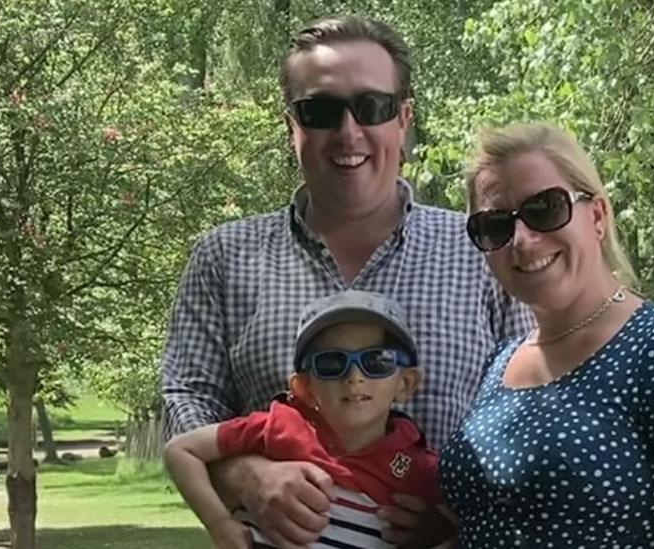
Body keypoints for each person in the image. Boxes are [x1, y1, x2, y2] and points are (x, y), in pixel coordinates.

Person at [159, 15, 530, 548]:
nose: (348, 132)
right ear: (293, 127)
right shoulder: (223, 257)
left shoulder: (483, 251)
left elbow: (530, 411)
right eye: (322, 111)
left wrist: (455, 517)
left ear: (403, 120)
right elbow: (186, 399)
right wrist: (245, 476)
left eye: (372, 107)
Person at [439, 122, 654, 547]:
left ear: (596, 216)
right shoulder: (500, 362)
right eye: (495, 225)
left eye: (545, 208)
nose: (521, 239)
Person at [164, 290, 440, 549]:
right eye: (331, 363)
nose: (354, 376)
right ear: (304, 388)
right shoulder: (280, 426)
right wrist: (219, 523)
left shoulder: (419, 468)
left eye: (377, 361)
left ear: (406, 383)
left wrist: (443, 531)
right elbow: (180, 450)